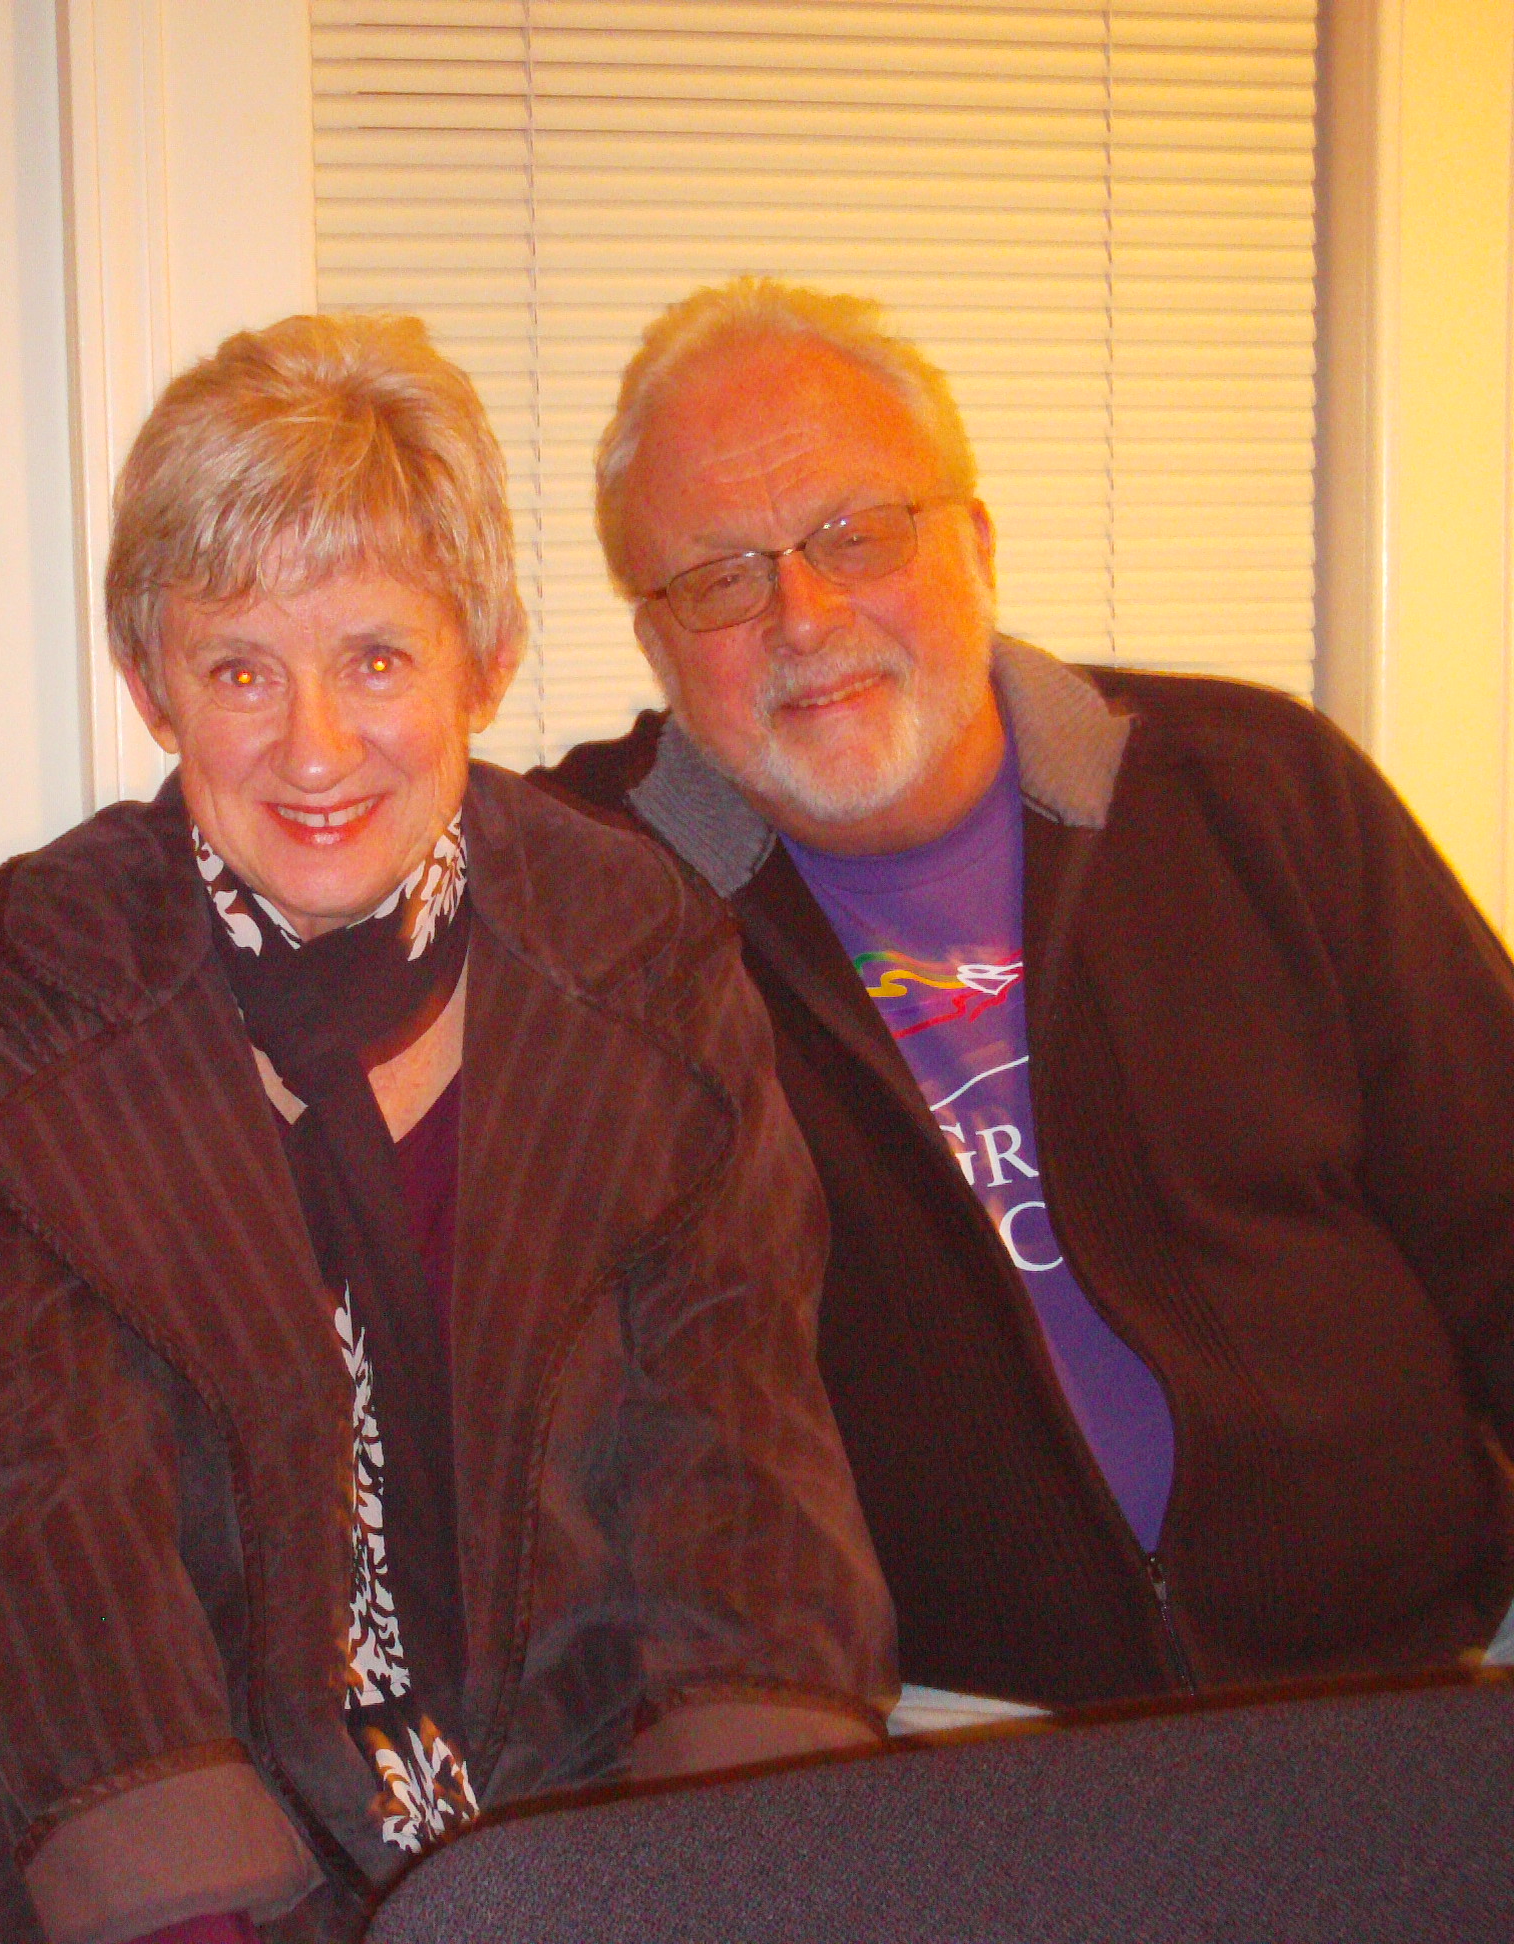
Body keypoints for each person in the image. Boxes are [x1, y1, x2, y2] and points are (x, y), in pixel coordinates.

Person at [0, 313, 895, 1944]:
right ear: (151, 689)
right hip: (165, 1830)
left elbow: (736, 1438)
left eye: (375, 658)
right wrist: (196, 1919)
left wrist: (734, 1857)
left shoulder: (640, 953)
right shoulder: (32, 993)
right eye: (240, 669)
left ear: (481, 659)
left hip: (592, 1805)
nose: (315, 748)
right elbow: (28, 1503)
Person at [546, 274, 1514, 1713]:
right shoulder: (584, 904)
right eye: (721, 579)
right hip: (950, 1733)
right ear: (655, 643)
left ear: (978, 544)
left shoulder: (1258, 789)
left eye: (858, 534)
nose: (804, 616)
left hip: (1410, 1673)